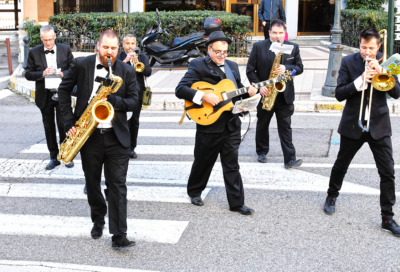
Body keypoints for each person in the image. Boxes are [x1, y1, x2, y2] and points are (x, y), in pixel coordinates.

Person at [58, 30, 139, 247]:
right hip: (89, 136)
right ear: (97, 46)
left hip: (117, 137)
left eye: (114, 48)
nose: (110, 52)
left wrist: (115, 101)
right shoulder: (82, 65)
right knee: (92, 183)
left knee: (118, 185)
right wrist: (68, 122)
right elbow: (63, 90)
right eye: (106, 48)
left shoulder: (126, 70)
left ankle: (119, 234)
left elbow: (134, 102)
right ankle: (98, 218)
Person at [323, 28, 400, 237]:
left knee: (387, 173)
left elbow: (396, 92)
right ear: (359, 45)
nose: (367, 52)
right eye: (364, 47)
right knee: (341, 165)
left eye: (371, 48)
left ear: (378, 47)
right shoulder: (349, 63)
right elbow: (339, 93)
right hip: (353, 124)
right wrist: (359, 82)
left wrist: (382, 70)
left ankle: (387, 217)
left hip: (379, 125)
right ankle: (331, 195)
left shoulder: (387, 62)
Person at [175, 31, 257, 215]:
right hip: (209, 123)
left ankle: (237, 203)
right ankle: (195, 192)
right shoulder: (198, 65)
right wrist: (203, 95)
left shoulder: (233, 66)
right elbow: (180, 89)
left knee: (232, 164)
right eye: (218, 52)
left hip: (231, 124)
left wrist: (248, 94)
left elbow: (235, 92)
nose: (222, 55)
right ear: (209, 49)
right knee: (203, 161)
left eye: (225, 52)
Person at [246, 19, 303, 169]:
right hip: (266, 93)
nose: (278, 36)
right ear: (269, 32)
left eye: (281, 33)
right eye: (275, 33)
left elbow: (300, 68)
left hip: (284, 96)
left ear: (285, 33)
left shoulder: (293, 47)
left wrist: (287, 68)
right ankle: (262, 152)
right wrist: (259, 87)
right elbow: (250, 70)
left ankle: (290, 159)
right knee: (262, 125)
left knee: (285, 128)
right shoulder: (258, 47)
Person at [25, 25, 74, 170]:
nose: (48, 43)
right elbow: (28, 74)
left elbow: (73, 68)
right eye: (45, 40)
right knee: (49, 127)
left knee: (64, 125)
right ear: (41, 39)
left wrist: (63, 73)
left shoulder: (65, 49)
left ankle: (67, 156)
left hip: (62, 93)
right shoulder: (34, 52)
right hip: (44, 95)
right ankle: (54, 157)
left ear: (55, 37)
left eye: (50, 40)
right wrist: (43, 73)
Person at [117, 34, 152, 159]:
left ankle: (132, 148)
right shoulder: (119, 57)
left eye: (132, 43)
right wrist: (126, 61)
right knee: (122, 121)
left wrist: (138, 63)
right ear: (123, 45)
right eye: (127, 43)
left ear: (135, 45)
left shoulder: (142, 56)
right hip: (122, 93)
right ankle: (122, 146)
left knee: (134, 122)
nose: (130, 46)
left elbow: (148, 72)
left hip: (137, 94)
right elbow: (114, 69)